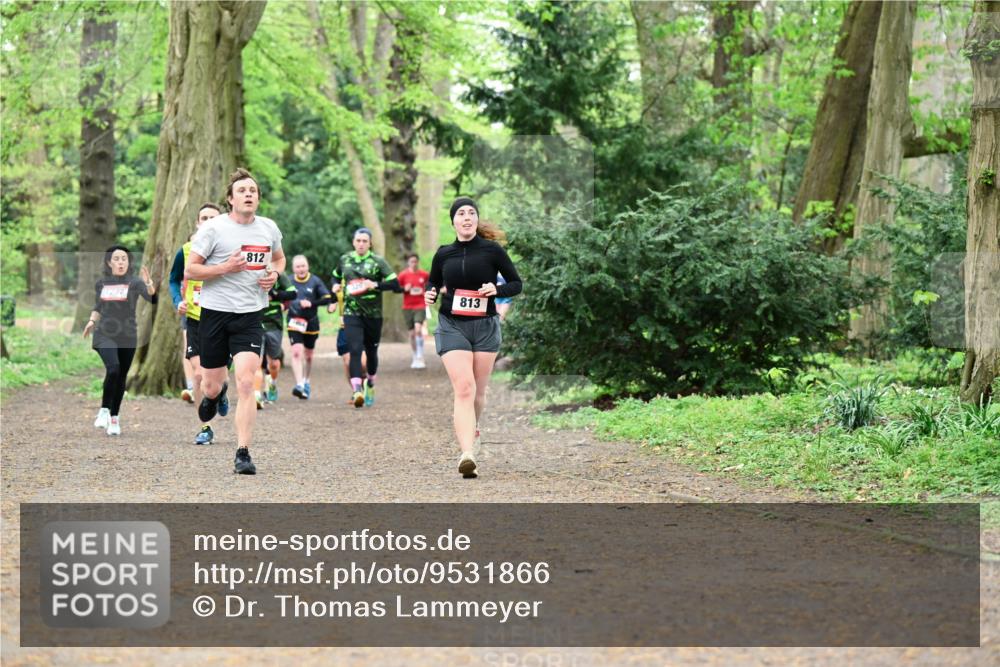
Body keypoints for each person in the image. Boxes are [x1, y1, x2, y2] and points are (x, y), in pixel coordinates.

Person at [185, 168, 285, 474]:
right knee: (211, 384)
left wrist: (274, 274)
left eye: (253, 190)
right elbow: (191, 271)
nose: (248, 194)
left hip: (250, 316)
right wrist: (224, 267)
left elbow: (279, 259)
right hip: (214, 315)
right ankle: (215, 396)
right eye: (242, 190)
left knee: (246, 382)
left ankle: (242, 452)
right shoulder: (214, 229)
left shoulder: (268, 229)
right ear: (231, 199)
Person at [425, 197, 521, 478]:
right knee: (464, 388)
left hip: (485, 326)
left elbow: (516, 283)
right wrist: (430, 292)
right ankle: (467, 454)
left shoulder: (492, 251)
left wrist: (496, 290)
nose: (467, 217)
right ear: (453, 221)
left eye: (471, 213)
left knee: (478, 393)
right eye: (461, 213)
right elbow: (433, 282)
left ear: (477, 220)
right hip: (452, 324)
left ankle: (473, 428)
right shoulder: (444, 254)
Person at [83, 245, 158, 436]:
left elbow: (153, 299)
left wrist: (149, 282)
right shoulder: (102, 283)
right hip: (104, 333)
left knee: (121, 375)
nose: (120, 262)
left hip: (127, 335)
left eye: (124, 258)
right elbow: (98, 306)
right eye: (116, 259)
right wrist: (91, 321)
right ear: (109, 262)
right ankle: (104, 411)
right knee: (113, 368)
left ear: (128, 262)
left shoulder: (135, 282)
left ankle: (115, 418)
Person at [331, 228, 401, 408]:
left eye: (364, 241)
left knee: (371, 352)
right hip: (351, 313)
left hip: (373, 315)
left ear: (370, 243)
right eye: (358, 240)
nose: (361, 244)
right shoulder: (345, 260)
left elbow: (395, 283)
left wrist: (375, 284)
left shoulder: (378, 262)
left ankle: (370, 383)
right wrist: (335, 287)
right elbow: (335, 276)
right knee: (354, 350)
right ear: (353, 242)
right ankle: (356, 390)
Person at [168, 204, 221, 403]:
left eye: (213, 218)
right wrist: (178, 301)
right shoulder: (186, 251)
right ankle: (194, 388)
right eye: (204, 218)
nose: (208, 222)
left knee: (217, 369)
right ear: (198, 223)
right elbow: (173, 280)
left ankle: (218, 388)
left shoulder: (230, 250)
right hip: (193, 314)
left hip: (222, 315)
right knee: (197, 367)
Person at [287, 254, 332, 399]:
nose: (301, 269)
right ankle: (299, 384)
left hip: (311, 322)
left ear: (308, 266)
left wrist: (312, 303)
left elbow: (326, 298)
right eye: (298, 267)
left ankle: (306, 380)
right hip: (294, 321)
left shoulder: (315, 281)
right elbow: (282, 296)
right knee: (296, 352)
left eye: (303, 266)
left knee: (309, 356)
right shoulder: (288, 280)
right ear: (293, 268)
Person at [255, 269, 295, 408]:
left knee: (273, 363)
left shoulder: (278, 274)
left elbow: (293, 293)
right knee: (256, 361)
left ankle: (272, 382)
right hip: (254, 322)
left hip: (274, 324)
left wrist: (274, 295)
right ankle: (257, 395)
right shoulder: (249, 271)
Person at [397, 252, 430, 369]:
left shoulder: (424, 275)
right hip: (407, 307)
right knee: (411, 334)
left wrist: (425, 291)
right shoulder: (403, 275)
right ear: (408, 262)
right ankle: (415, 355)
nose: (414, 264)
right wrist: (404, 289)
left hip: (420, 305)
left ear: (418, 262)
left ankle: (420, 355)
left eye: (415, 261)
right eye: (412, 262)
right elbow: (396, 288)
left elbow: (431, 285)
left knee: (418, 329)